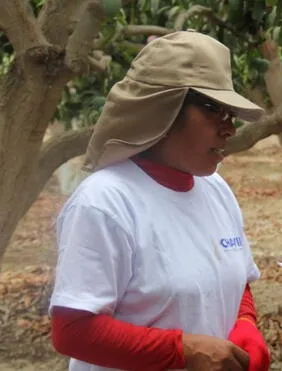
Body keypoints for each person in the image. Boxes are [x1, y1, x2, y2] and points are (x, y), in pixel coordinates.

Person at [48, 30, 270, 371]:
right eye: (215, 110)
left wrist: (245, 324)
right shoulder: (105, 203)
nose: (229, 128)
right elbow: (73, 331)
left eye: (231, 114)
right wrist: (182, 351)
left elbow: (237, 279)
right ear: (164, 112)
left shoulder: (215, 190)